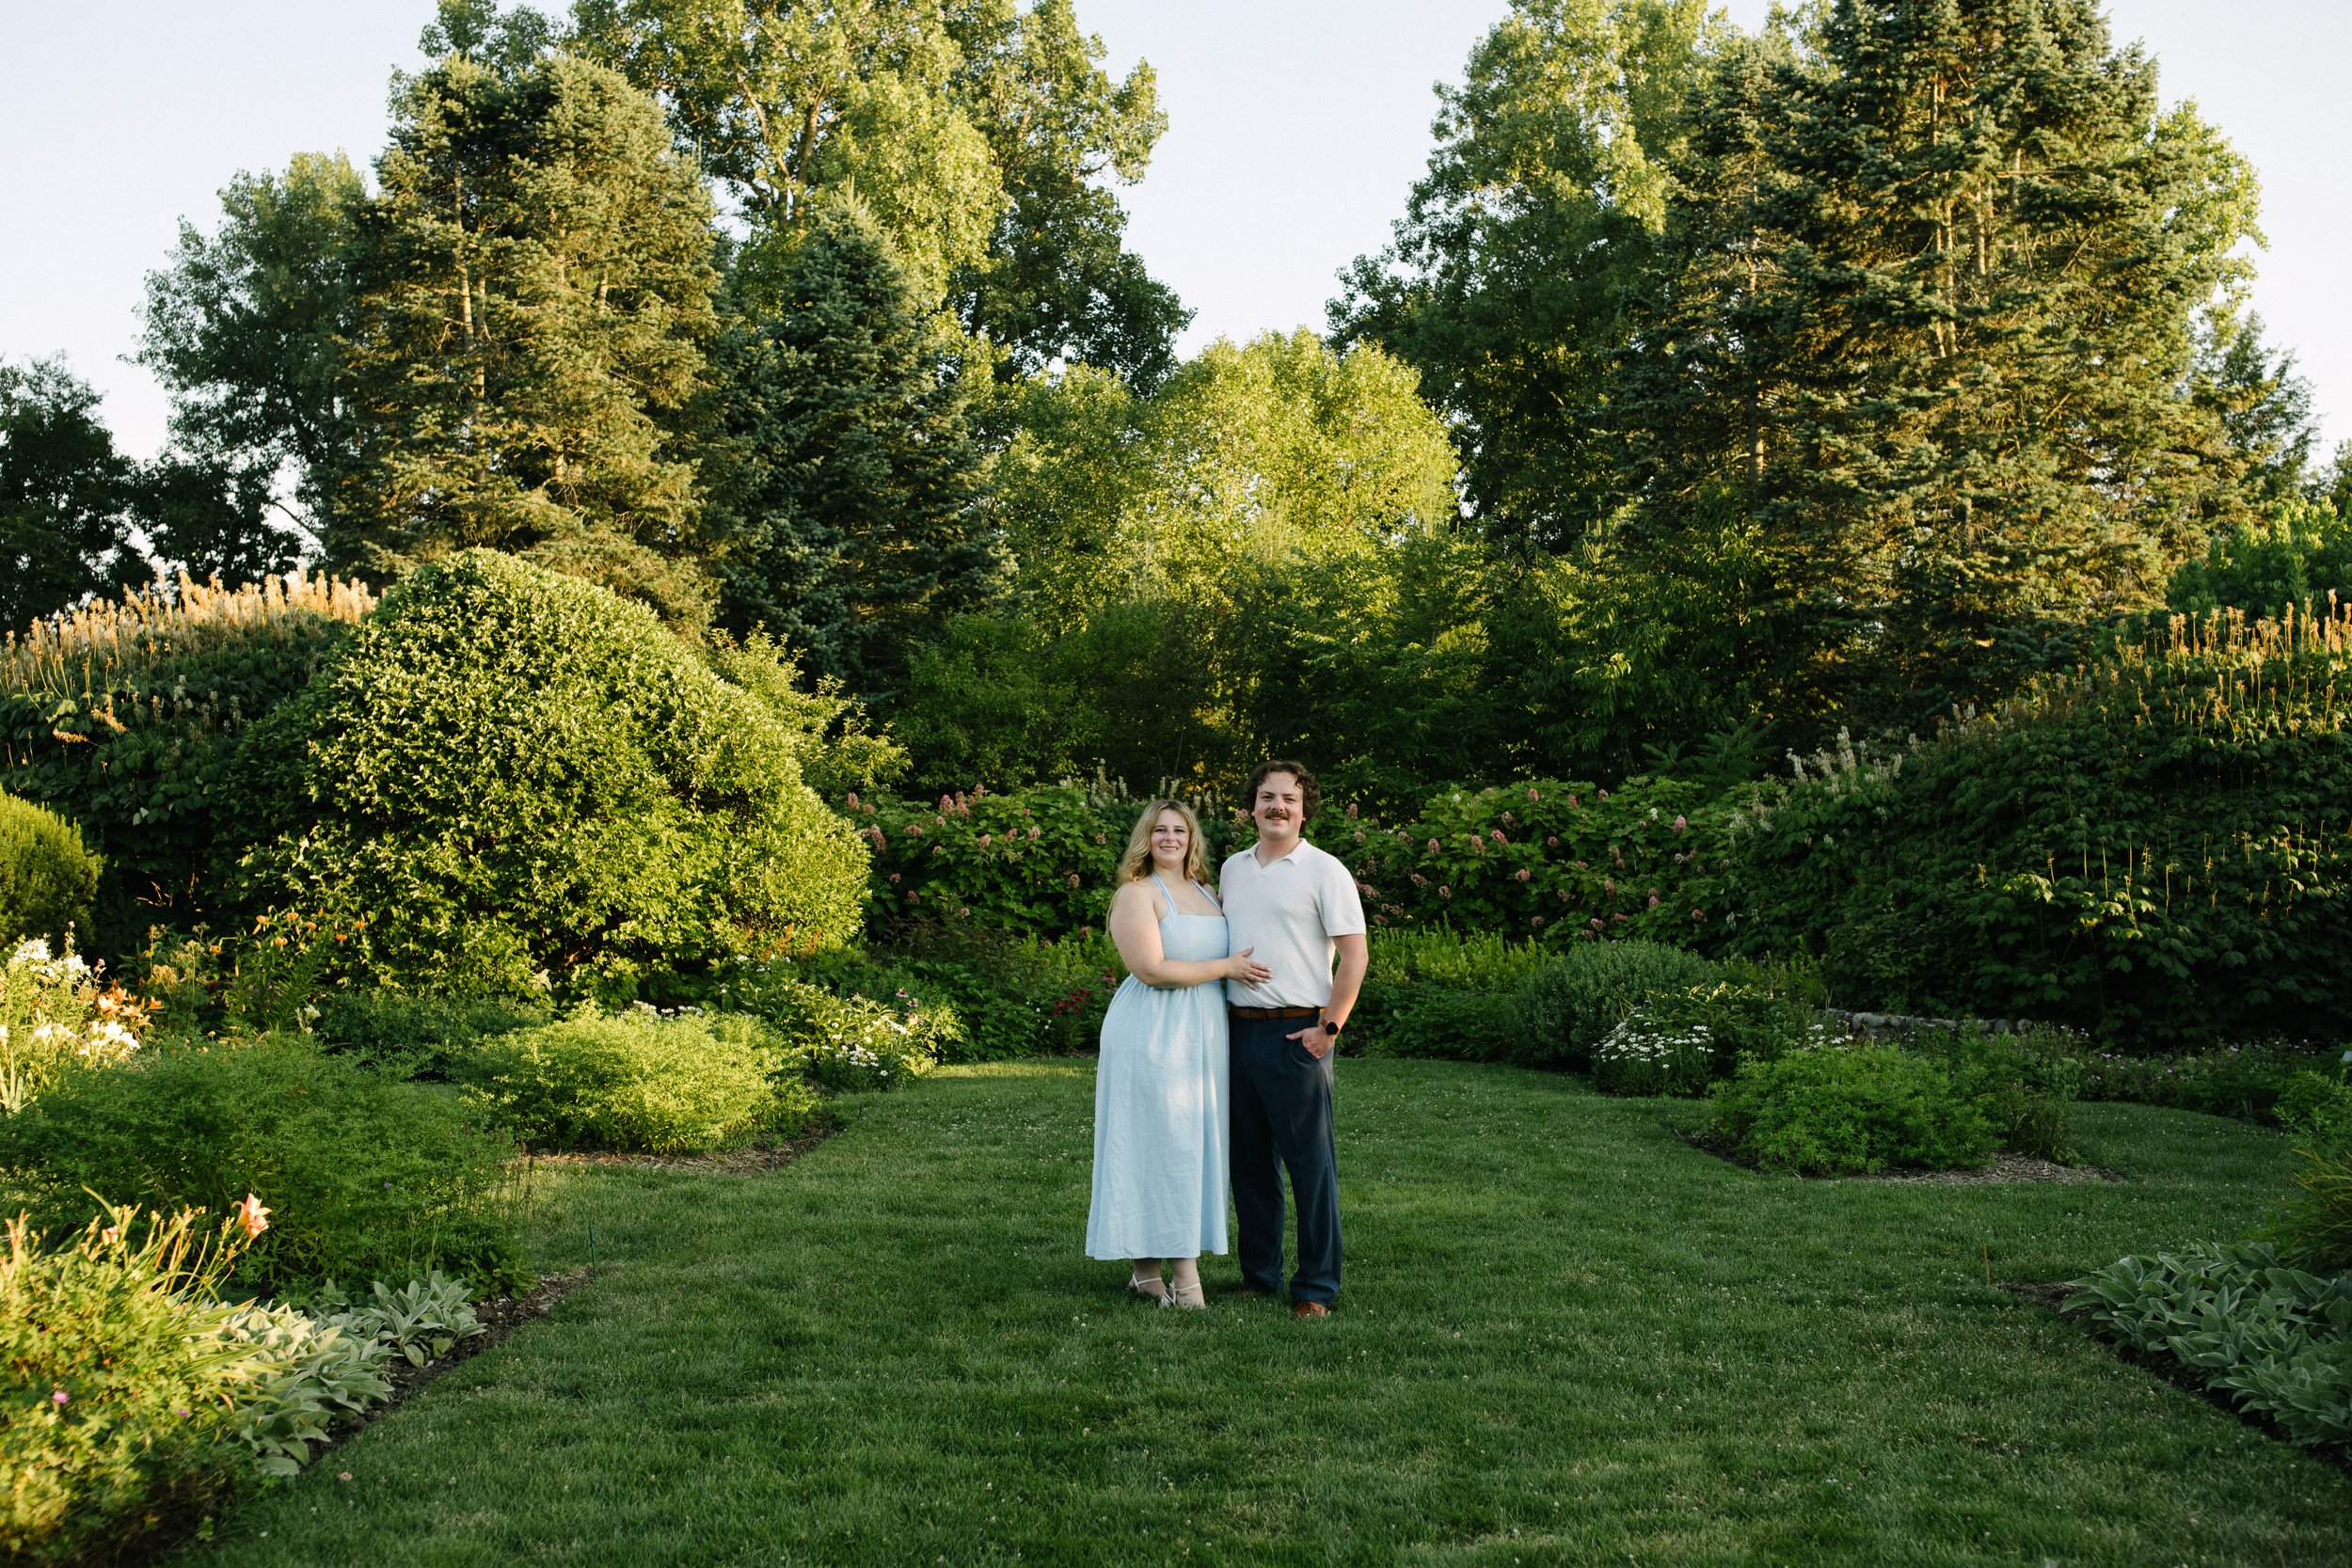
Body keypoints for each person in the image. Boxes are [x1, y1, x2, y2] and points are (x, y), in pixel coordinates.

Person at [1086, 800, 1271, 1307]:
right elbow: (1151, 970)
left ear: (1192, 839)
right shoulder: (1137, 893)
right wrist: (1226, 968)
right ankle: (1185, 1277)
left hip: (1202, 1034)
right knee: (1165, 1145)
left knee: (1181, 1142)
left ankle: (1146, 1275)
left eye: (1180, 830)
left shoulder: (1207, 890)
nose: (1170, 838)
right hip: (1152, 1031)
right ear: (1146, 838)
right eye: (1160, 830)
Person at [1219, 760, 1367, 1320]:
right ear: (1252, 806)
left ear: (1305, 811)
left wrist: (1329, 1029)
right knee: (1250, 1166)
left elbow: (1355, 956)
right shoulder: (1232, 869)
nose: (1277, 806)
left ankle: (1316, 1287)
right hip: (1237, 1032)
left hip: (1298, 1034)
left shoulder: (1324, 870)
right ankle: (1260, 1277)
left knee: (1310, 1168)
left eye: (1289, 798)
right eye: (1267, 797)